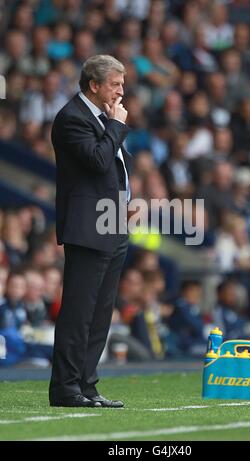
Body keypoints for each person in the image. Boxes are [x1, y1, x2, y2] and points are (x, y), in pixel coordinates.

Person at [49, 55, 132, 408]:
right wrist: (116, 125)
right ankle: (65, 388)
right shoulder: (72, 118)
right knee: (79, 311)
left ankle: (86, 384)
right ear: (94, 85)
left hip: (112, 222)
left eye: (122, 84)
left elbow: (108, 168)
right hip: (87, 226)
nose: (121, 91)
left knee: (100, 313)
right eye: (115, 84)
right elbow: (98, 160)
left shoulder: (99, 117)